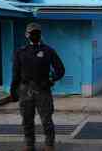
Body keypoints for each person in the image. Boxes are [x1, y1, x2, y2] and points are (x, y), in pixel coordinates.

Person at [10, 23, 65, 151]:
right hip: (25, 90)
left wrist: (51, 80)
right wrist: (13, 90)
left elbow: (60, 70)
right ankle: (29, 145)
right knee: (27, 119)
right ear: (26, 35)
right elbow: (15, 72)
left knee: (46, 119)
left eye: (36, 33)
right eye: (31, 33)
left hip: (43, 89)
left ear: (40, 34)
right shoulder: (20, 52)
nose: (34, 35)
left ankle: (49, 145)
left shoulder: (48, 50)